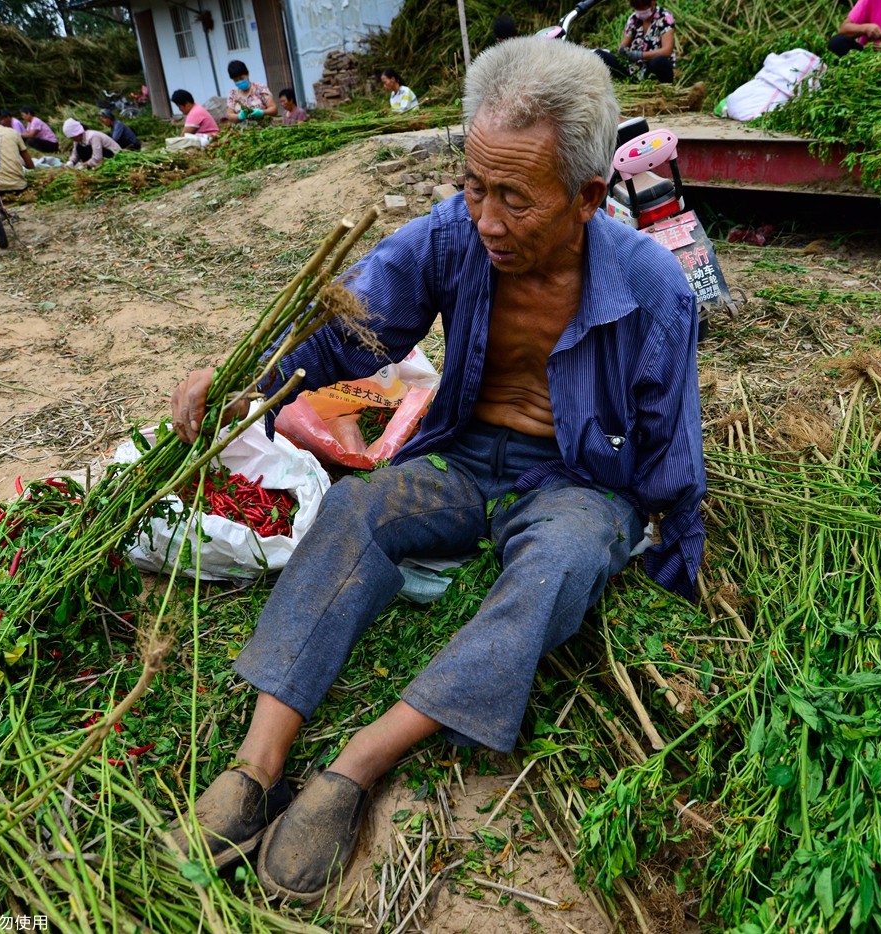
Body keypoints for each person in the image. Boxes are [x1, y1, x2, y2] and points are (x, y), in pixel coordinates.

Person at [168, 35, 703, 902]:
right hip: (463, 456)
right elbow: (350, 323)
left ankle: (355, 767)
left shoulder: (653, 289)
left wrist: (674, 560)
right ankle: (257, 763)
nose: (486, 218)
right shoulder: (455, 236)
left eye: (514, 199)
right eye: (474, 184)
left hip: (577, 480)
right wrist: (248, 382)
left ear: (587, 197)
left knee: (560, 560)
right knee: (356, 511)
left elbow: (671, 452)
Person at [599, 0, 676, 83]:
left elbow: (667, 50)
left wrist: (640, 55)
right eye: (637, 8)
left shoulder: (665, 18)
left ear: (653, 2)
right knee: (601, 55)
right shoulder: (634, 19)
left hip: (653, 70)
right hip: (634, 70)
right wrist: (623, 52)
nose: (640, 11)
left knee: (660, 62)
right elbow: (624, 44)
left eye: (643, 8)